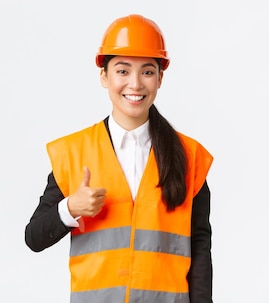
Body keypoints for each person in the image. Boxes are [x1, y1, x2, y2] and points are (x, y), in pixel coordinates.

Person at [24, 14, 214, 303]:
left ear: (161, 77)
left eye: (147, 72)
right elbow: (34, 238)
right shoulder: (73, 153)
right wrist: (70, 208)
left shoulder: (190, 157)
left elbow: (199, 248)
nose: (135, 84)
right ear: (104, 76)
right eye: (123, 71)